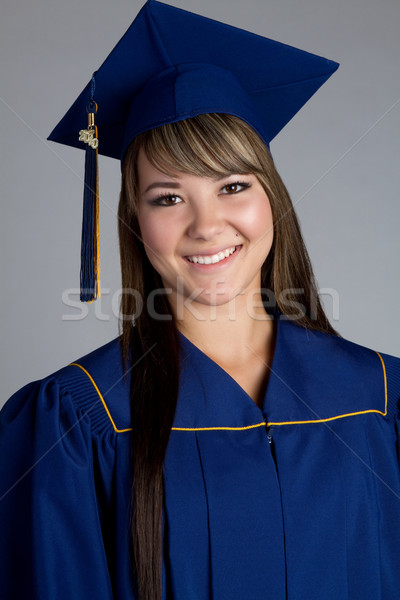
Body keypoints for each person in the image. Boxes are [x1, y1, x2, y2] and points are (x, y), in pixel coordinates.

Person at [1, 1, 400, 599]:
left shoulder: (380, 397)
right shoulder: (79, 421)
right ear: (134, 219)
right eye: (168, 197)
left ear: (273, 199)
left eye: (233, 186)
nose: (207, 225)